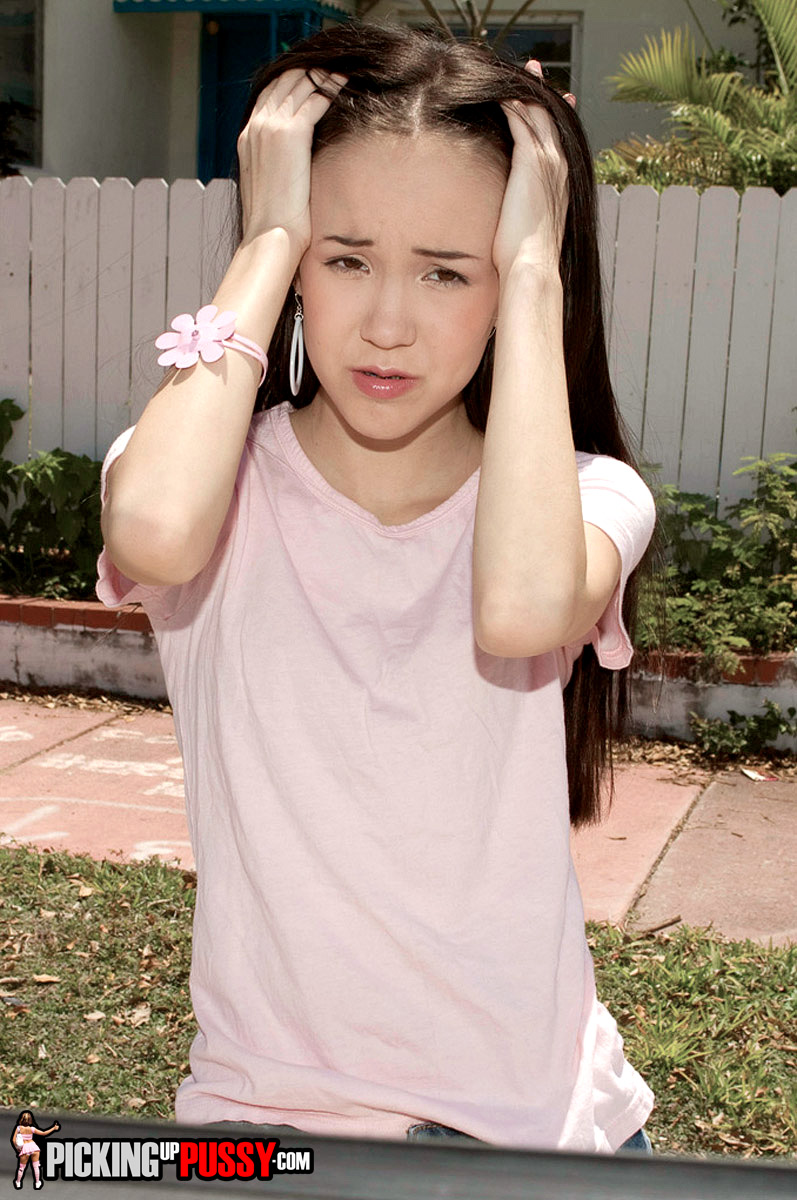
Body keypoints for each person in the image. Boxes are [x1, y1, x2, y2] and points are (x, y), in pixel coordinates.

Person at [96, 22, 661, 1154]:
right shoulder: (201, 480)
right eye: (344, 257)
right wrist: (265, 235)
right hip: (262, 1119)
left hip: (535, 1133)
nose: (388, 324)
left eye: (448, 271)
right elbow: (153, 532)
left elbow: (517, 609)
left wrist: (534, 275)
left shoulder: (585, 498)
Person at [11, 1110, 60, 1189]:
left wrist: (17, 1148)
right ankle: (37, 1182)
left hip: (25, 1148)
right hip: (34, 1147)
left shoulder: (18, 1128)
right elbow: (43, 1133)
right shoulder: (32, 1129)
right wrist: (53, 1128)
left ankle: (18, 1182)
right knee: (36, 1167)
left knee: (21, 1168)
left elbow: (13, 1140)